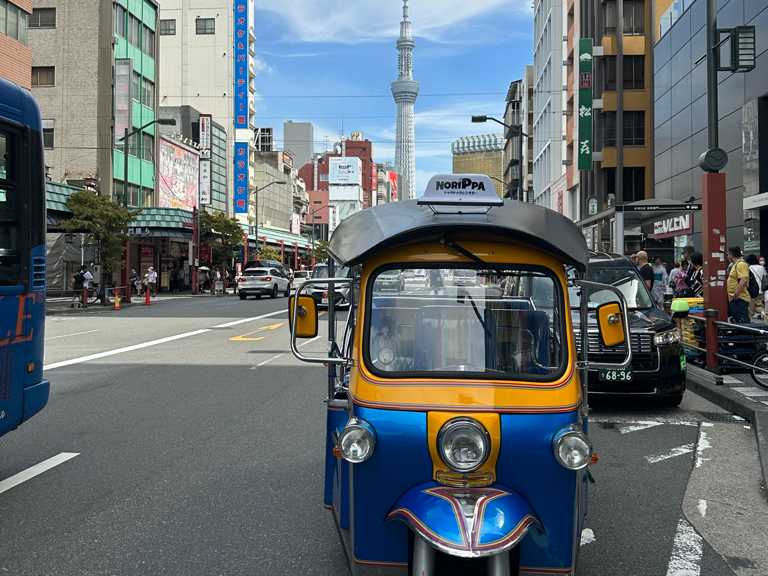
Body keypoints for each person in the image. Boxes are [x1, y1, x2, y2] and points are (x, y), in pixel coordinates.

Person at [727, 246, 751, 323]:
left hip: (740, 298)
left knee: (743, 320)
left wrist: (737, 293)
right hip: (734, 298)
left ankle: (746, 335)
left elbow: (743, 279)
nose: (727, 256)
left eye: (728, 254)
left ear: (731, 254)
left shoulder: (741, 264)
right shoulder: (735, 265)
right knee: (737, 320)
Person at [747, 254, 766, 319]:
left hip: (752, 290)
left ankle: (751, 320)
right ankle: (763, 314)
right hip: (760, 290)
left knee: (751, 308)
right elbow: (764, 275)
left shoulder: (748, 268)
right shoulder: (761, 267)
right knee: (759, 305)